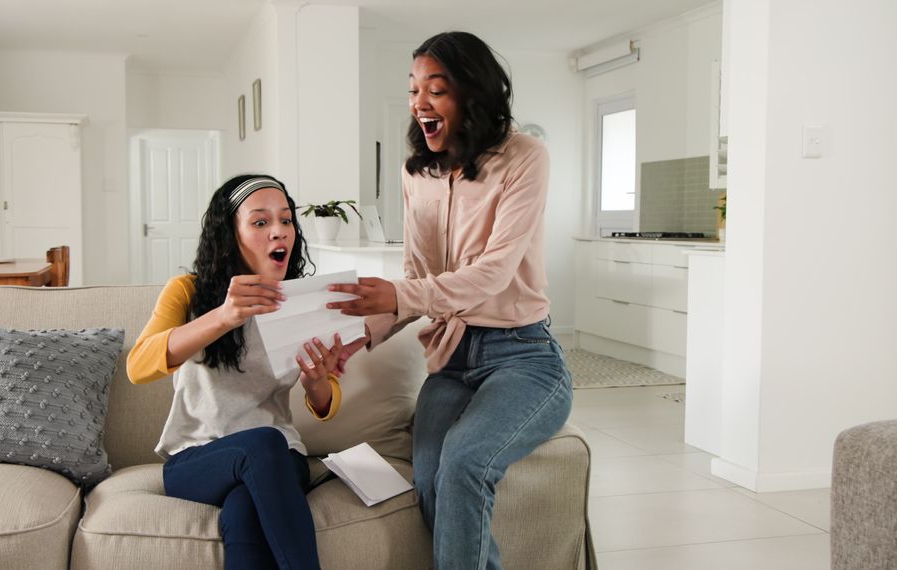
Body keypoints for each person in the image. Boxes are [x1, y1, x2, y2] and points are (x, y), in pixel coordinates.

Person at [327, 31, 573, 569]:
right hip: (451, 362)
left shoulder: (525, 158)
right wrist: (357, 337)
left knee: (464, 463)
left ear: (471, 93)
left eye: (435, 90)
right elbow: (419, 281)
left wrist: (399, 291)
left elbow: (491, 275)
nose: (419, 103)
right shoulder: (418, 173)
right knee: (432, 476)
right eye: (415, 90)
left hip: (525, 359)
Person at [127, 174, 363, 570]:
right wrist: (224, 316)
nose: (279, 232)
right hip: (198, 458)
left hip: (280, 458)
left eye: (286, 220)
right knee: (262, 444)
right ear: (229, 235)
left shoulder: (302, 302)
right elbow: (139, 366)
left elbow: (325, 402)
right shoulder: (187, 291)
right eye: (260, 222)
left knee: (244, 509)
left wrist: (316, 381)